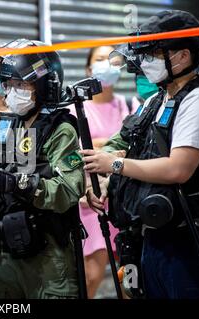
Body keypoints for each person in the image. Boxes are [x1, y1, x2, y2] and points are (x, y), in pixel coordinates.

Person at [0, 39, 85, 299]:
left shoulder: (59, 129)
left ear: (44, 85)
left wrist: (20, 183)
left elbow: (69, 188)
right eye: (8, 85)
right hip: (4, 253)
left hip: (47, 255)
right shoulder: (7, 126)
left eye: (21, 84)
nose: (11, 92)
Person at [82, 10, 199, 299]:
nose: (145, 62)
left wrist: (113, 164)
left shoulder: (198, 99)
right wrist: (97, 183)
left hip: (187, 238)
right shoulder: (155, 100)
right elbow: (121, 140)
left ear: (182, 56)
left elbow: (179, 168)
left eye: (153, 53)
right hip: (150, 236)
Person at [68, 45, 135, 298]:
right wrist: (107, 149)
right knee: (91, 276)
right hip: (90, 201)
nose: (106, 64)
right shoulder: (75, 111)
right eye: (99, 59)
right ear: (88, 69)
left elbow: (134, 148)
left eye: (111, 59)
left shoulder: (131, 105)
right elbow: (71, 155)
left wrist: (97, 146)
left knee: (129, 277)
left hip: (122, 200)